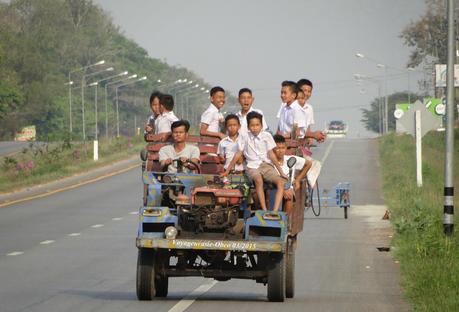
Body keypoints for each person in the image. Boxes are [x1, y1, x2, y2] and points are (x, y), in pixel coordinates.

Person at [222, 111, 286, 212]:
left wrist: (281, 172)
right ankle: (264, 209)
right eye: (252, 125)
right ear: (248, 126)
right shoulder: (244, 137)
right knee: (258, 180)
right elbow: (238, 154)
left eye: (257, 125)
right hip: (252, 167)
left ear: (261, 125)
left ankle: (274, 211)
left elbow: (271, 155)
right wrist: (227, 170)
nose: (255, 127)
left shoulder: (267, 136)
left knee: (280, 183)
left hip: (266, 165)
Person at [272, 134, 312, 213]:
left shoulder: (291, 159)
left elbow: (308, 164)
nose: (280, 151)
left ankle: (286, 221)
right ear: (272, 149)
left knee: (289, 197)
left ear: (286, 148)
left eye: (282, 148)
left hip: (288, 188)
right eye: (277, 148)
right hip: (274, 188)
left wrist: (297, 180)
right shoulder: (270, 162)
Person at [297, 78, 325, 144]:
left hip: (303, 147)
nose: (306, 93)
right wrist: (313, 135)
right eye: (304, 90)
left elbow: (308, 128)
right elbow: (292, 132)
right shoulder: (289, 106)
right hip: (289, 146)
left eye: (309, 91)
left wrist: (317, 137)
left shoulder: (309, 108)